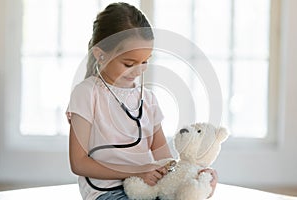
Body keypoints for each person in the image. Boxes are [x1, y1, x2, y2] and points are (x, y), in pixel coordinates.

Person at [67, 2, 217, 200]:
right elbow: (78, 163)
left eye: (145, 61)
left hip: (149, 189)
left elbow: (164, 159)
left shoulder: (147, 99)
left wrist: (192, 174)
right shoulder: (86, 93)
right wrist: (136, 172)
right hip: (106, 192)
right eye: (129, 63)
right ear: (100, 55)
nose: (138, 70)